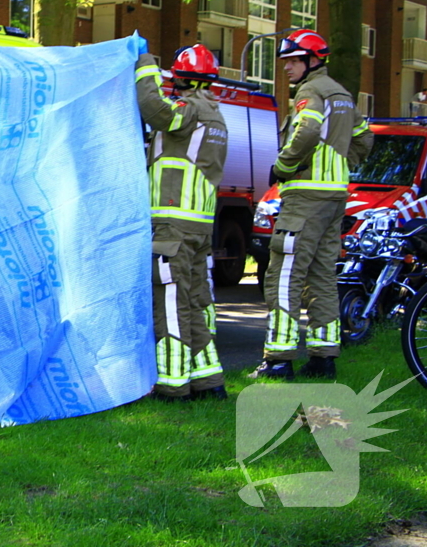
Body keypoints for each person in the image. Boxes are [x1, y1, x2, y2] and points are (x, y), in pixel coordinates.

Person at [251, 29, 373, 380]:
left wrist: (283, 167)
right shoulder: (343, 95)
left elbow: (305, 132)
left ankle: (278, 359)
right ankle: (323, 359)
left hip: (306, 197)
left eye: (292, 60)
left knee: (284, 275)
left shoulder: (311, 91)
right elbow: (364, 136)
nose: (286, 67)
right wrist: (341, 164)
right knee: (322, 277)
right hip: (335, 197)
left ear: (313, 60)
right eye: (285, 61)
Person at [135, 41, 229, 401]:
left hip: (173, 222)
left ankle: (173, 386)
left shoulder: (188, 109)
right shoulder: (215, 113)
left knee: (170, 303)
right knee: (192, 303)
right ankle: (209, 381)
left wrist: (144, 64)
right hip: (198, 223)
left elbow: (154, 109)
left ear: (183, 79)